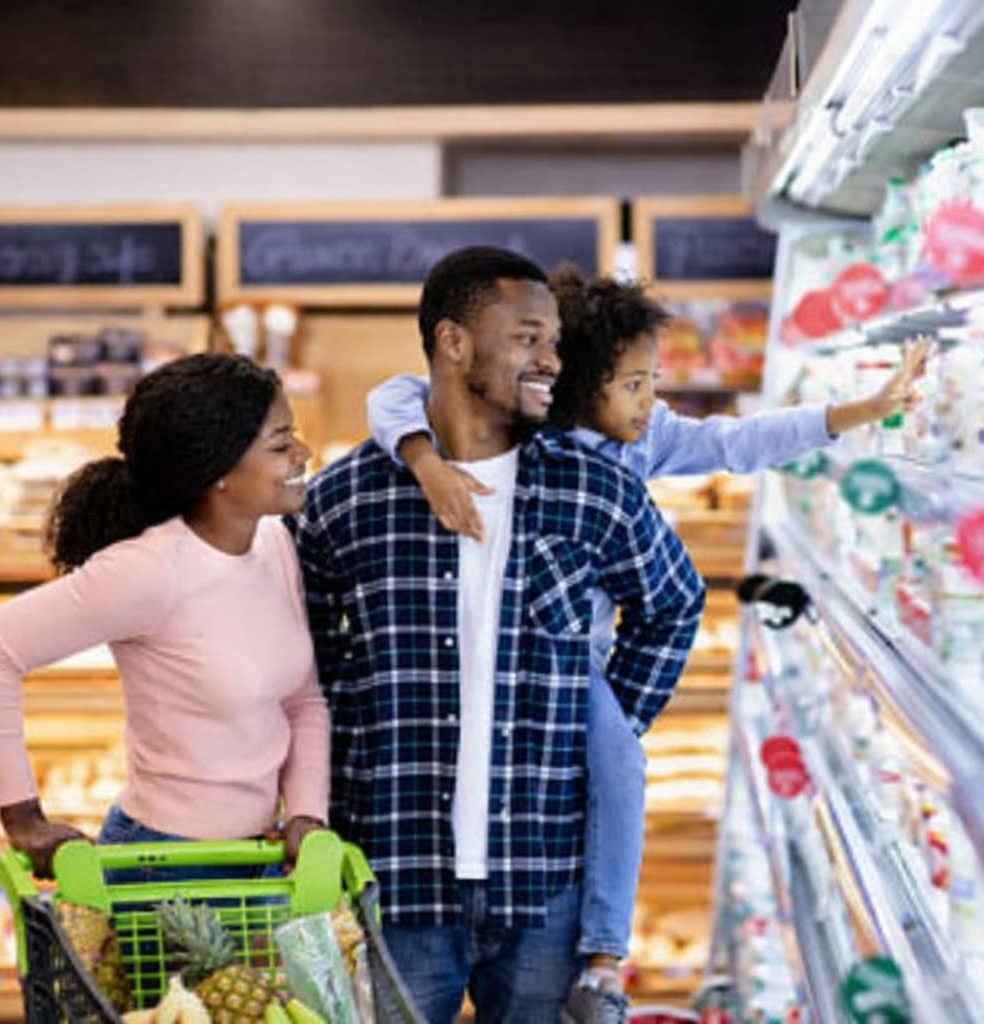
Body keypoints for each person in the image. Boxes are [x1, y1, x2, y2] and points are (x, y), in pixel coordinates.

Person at [365, 267, 928, 1019]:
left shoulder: (645, 440)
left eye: (651, 382)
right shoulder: (529, 431)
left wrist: (858, 410)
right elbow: (395, 395)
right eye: (633, 384)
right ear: (574, 386)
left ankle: (602, 955)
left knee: (620, 763)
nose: (650, 403)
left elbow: (739, 442)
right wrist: (423, 458)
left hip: (575, 668)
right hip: (492, 665)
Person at [292, 247, 705, 1023]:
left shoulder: (593, 486)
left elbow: (673, 605)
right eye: (526, 338)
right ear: (454, 343)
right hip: (392, 871)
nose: (552, 359)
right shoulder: (346, 499)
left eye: (552, 340)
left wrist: (601, 725)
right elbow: (305, 661)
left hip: (544, 878)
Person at [0, 353, 328, 881]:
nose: (302, 453)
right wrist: (23, 820)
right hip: (161, 868)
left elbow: (303, 701)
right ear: (219, 471)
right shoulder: (149, 570)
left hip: (259, 861)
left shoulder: (273, 547)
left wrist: (306, 818)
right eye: (280, 443)